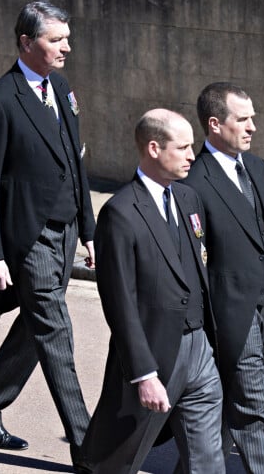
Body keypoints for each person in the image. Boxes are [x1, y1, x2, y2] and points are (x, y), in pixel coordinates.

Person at [0, 1, 95, 473]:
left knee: (36, 328)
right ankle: (88, 450)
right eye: (55, 39)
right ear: (27, 43)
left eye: (66, 38)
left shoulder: (60, 87)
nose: (66, 47)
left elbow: (75, 161)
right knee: (57, 334)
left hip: (65, 233)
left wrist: (87, 228)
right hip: (30, 239)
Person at [81, 109, 224, 474]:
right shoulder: (121, 212)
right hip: (155, 353)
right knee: (119, 457)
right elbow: (120, 303)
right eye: (184, 147)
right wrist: (144, 374)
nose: (193, 155)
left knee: (207, 460)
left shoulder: (189, 199)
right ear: (154, 148)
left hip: (199, 350)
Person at [184, 82, 264, 473]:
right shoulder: (194, 182)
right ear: (214, 124)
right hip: (231, 313)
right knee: (253, 406)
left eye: (253, 119)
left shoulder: (257, 168)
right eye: (243, 119)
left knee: (229, 402)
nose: (252, 127)